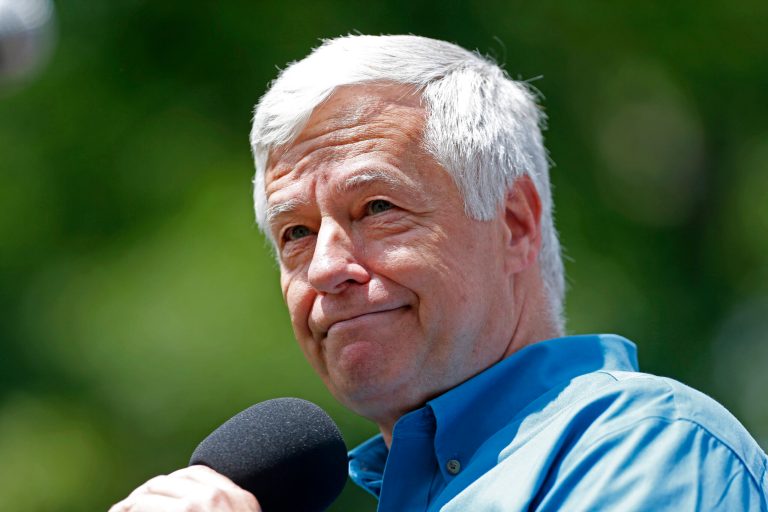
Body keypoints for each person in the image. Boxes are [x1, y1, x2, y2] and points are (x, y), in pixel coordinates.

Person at [110, 34, 768, 511]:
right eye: (296, 233)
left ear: (513, 222)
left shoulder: (646, 447)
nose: (327, 267)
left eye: (376, 207)